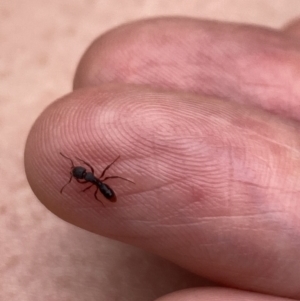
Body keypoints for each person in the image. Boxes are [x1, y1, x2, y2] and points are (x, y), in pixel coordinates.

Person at [25, 17, 300, 300]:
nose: (82, 173)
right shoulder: (96, 179)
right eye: (80, 173)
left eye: (80, 171)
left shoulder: (96, 179)